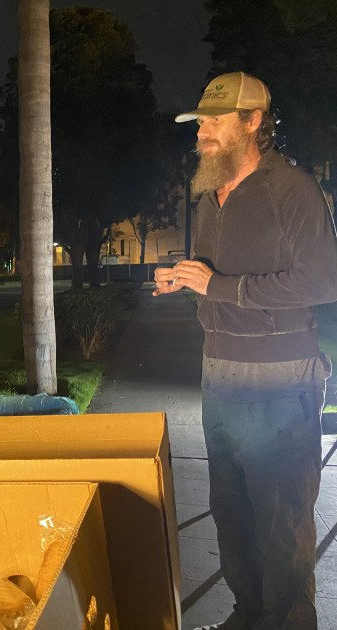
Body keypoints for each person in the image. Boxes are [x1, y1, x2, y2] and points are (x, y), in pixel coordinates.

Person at [154, 72, 337, 629]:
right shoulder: (213, 196)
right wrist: (185, 279)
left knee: (281, 519)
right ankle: (248, 614)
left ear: (254, 121)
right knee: (232, 514)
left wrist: (218, 287)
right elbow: (219, 274)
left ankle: (288, 622)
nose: (202, 131)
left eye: (215, 120)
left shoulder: (294, 190)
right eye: (200, 122)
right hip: (221, 375)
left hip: (281, 378)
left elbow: (323, 281)